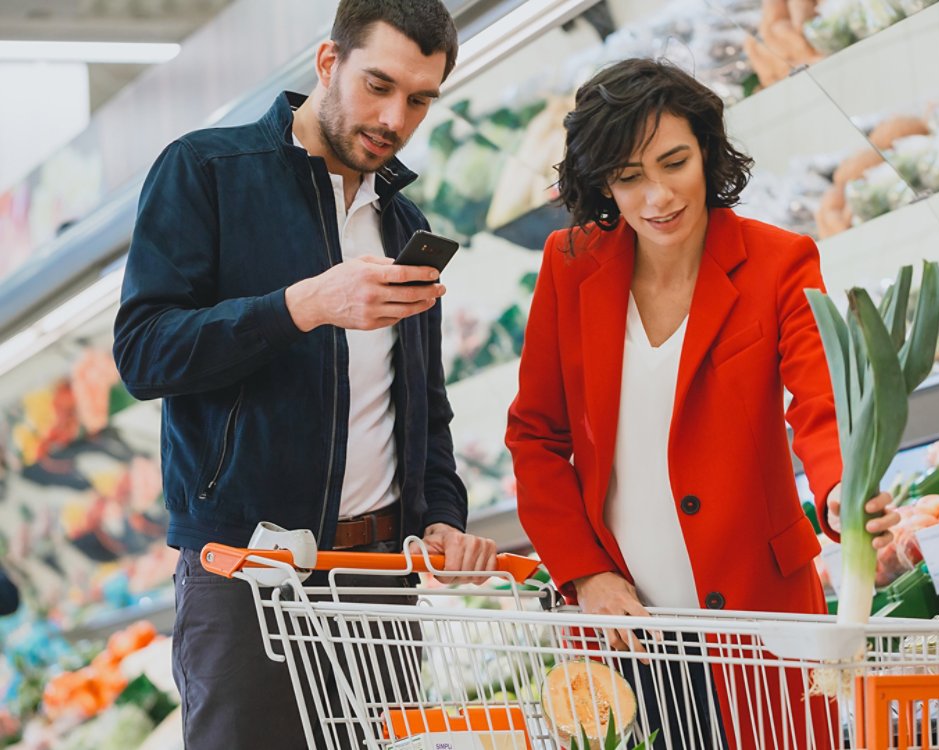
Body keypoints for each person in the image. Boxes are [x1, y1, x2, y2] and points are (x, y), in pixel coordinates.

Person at [113, 1, 498, 747]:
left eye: (419, 99)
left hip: (379, 581)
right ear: (329, 63)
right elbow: (144, 351)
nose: (395, 116)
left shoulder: (401, 224)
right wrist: (304, 304)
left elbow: (423, 405)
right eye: (378, 85)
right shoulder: (205, 171)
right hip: (247, 576)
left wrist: (442, 514)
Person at [505, 58, 898, 749]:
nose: (657, 197)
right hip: (634, 633)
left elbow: (821, 399)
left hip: (765, 621)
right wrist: (587, 574)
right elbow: (536, 436)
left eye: (674, 162)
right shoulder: (569, 267)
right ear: (603, 185)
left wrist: (841, 488)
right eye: (629, 178)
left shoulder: (779, 261)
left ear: (708, 151)